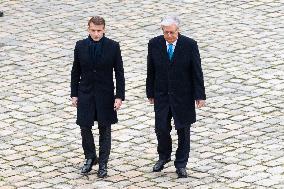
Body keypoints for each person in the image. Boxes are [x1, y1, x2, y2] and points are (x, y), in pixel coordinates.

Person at [146, 16, 206, 178]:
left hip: (183, 96)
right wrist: (150, 92)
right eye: (166, 33)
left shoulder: (189, 45)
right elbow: (150, 69)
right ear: (162, 32)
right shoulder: (154, 44)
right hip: (162, 95)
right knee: (161, 128)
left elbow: (196, 71)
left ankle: (181, 163)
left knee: (183, 130)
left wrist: (199, 95)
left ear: (178, 30)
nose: (170, 36)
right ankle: (164, 156)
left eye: (172, 32)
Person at [71, 16, 125, 178]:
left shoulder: (113, 46)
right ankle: (90, 157)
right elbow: (76, 71)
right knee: (84, 126)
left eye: (99, 31)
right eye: (93, 30)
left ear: (104, 30)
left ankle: (103, 163)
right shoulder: (80, 46)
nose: (96, 34)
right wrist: (74, 93)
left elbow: (119, 73)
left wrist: (119, 96)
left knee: (105, 129)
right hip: (85, 93)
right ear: (88, 29)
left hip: (105, 94)